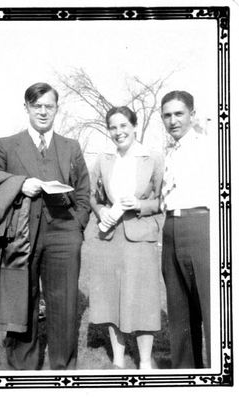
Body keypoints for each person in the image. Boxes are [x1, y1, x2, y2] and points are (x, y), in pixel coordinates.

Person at [0, 82, 90, 370]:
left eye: (49, 106)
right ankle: (22, 368)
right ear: (27, 108)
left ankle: (63, 368)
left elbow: (83, 191)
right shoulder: (6, 145)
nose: (43, 111)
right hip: (21, 234)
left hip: (64, 233)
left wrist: (77, 228)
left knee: (64, 302)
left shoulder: (71, 146)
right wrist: (20, 183)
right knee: (22, 297)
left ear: (57, 108)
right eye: (37, 106)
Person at [89, 106, 163, 369]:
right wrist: (102, 210)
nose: (118, 132)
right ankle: (118, 362)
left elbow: (163, 199)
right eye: (113, 127)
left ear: (134, 126)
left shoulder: (152, 157)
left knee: (143, 299)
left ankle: (144, 362)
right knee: (112, 299)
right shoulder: (103, 159)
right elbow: (91, 196)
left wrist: (140, 206)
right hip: (109, 238)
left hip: (140, 236)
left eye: (123, 125)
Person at [160, 90, 211, 368]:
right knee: (179, 309)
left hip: (201, 225)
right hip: (170, 228)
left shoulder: (209, 146)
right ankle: (185, 375)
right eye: (167, 115)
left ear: (192, 113)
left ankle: (221, 376)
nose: (173, 120)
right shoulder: (169, 150)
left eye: (179, 113)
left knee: (211, 306)